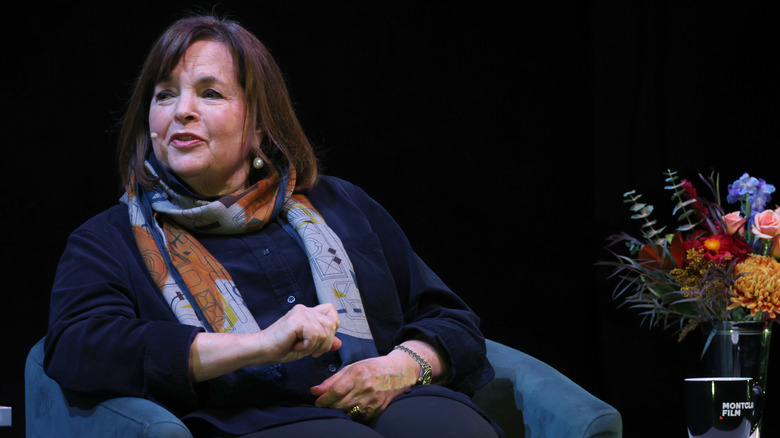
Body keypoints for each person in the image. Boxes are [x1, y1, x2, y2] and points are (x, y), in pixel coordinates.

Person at [44, 13, 502, 438]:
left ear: (259, 125)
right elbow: (78, 347)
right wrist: (258, 345)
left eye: (210, 92)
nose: (182, 110)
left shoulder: (341, 204)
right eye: (164, 94)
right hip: (251, 419)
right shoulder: (109, 240)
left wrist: (398, 367)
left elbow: (452, 321)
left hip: (392, 396)